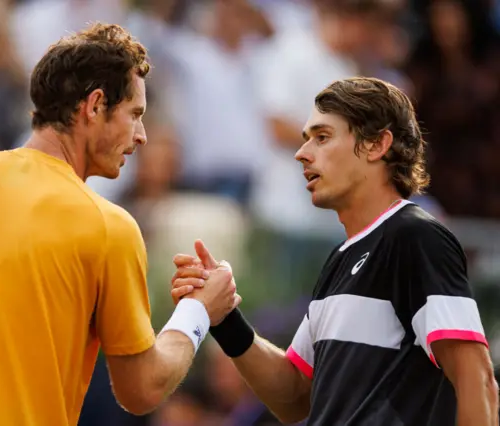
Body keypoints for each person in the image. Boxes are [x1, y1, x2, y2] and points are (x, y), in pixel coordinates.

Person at [0, 23, 240, 426]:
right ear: (94, 106)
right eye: (135, 114)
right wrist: (197, 312)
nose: (142, 135)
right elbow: (142, 388)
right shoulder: (108, 227)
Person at [171, 77, 498, 425]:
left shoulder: (416, 237)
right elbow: (295, 397)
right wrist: (224, 318)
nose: (301, 153)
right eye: (305, 139)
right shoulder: (341, 258)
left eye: (322, 137)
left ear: (376, 144)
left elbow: (476, 380)